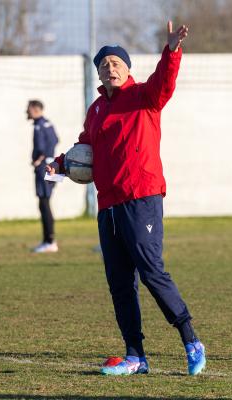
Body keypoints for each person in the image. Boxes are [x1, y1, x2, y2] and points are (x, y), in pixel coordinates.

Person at [47, 21, 206, 375]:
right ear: (99, 75)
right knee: (120, 283)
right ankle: (136, 356)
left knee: (151, 272)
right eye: (104, 65)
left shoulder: (144, 97)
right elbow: (84, 147)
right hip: (109, 206)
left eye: (116, 63)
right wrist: (59, 164)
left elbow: (165, 81)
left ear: (128, 69)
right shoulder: (97, 110)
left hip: (142, 197)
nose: (110, 67)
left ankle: (191, 339)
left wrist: (172, 50)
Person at [26, 100, 59, 253]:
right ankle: (48, 240)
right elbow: (55, 139)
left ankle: (50, 241)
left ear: (35, 109)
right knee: (44, 203)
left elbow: (42, 146)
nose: (27, 112)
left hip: (44, 169)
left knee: (44, 203)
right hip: (51, 167)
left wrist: (39, 159)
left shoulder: (39, 125)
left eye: (28, 109)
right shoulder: (47, 123)